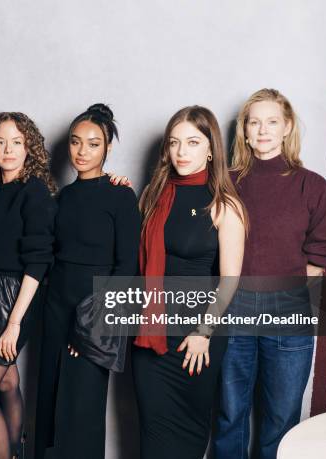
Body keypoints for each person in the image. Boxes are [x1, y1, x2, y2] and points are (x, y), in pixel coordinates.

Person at [214, 89, 326, 459]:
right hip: (233, 309)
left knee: (281, 418)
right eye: (255, 122)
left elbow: (320, 252)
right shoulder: (226, 182)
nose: (263, 130)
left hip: (288, 310)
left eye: (272, 122)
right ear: (245, 131)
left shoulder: (311, 185)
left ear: (286, 128)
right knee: (229, 413)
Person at [130, 105, 246, 459]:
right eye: (174, 143)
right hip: (152, 330)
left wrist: (203, 333)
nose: (181, 152)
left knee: (189, 434)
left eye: (193, 142)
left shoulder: (225, 206)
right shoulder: (153, 194)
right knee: (152, 434)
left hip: (198, 336)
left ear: (210, 149)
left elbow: (230, 280)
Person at [34, 103, 141, 459]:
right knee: (48, 399)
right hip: (56, 309)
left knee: (83, 407)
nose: (82, 151)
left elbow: (126, 267)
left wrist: (92, 328)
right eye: (76, 142)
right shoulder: (62, 197)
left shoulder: (121, 196)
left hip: (95, 312)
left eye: (93, 144)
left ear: (107, 147)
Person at [0, 112, 57, 459]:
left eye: (17, 142)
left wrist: (14, 322)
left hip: (13, 296)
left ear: (29, 147)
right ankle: (19, 451)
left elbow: (38, 263)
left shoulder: (34, 192)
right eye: (0, 141)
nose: (8, 149)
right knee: (6, 381)